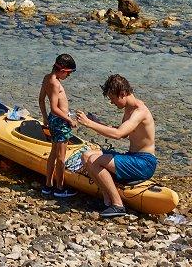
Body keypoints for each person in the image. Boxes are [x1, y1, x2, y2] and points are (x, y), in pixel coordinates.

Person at [76, 74, 157, 218]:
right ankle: (107, 200)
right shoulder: (129, 109)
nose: (112, 103)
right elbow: (124, 132)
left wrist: (89, 124)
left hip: (144, 163)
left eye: (112, 98)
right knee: (86, 155)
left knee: (96, 160)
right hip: (132, 157)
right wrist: (98, 123)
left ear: (123, 94)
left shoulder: (140, 112)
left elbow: (118, 134)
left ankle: (118, 205)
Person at [38, 54, 78, 198]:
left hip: (53, 120)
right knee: (61, 157)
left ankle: (48, 185)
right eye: (68, 73)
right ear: (62, 70)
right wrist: (69, 119)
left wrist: (44, 117)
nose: (68, 76)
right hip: (61, 122)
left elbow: (41, 100)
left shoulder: (46, 78)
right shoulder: (55, 83)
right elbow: (55, 107)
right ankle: (60, 188)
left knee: (53, 153)